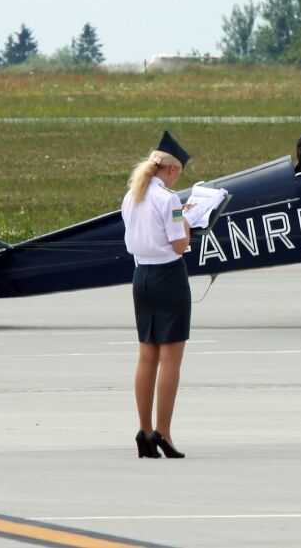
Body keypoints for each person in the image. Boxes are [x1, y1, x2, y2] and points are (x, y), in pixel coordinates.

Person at [121, 130, 193, 459]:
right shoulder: (169, 200)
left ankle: (144, 430)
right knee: (171, 360)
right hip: (168, 276)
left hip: (142, 276)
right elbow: (180, 244)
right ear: (172, 170)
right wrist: (188, 220)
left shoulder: (132, 196)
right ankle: (164, 432)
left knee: (146, 356)